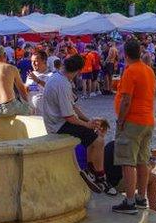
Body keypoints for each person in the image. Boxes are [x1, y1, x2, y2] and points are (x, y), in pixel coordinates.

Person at [38, 54, 111, 193]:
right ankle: (99, 175)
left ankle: (91, 170)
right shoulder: (63, 84)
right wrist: (87, 125)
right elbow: (69, 117)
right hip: (59, 126)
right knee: (98, 140)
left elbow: (73, 107)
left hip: (57, 122)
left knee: (93, 136)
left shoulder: (57, 77)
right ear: (77, 71)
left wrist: (87, 120)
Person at [112, 39, 156, 215]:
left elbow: (126, 100)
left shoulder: (131, 71)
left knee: (127, 162)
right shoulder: (148, 70)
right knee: (142, 161)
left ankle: (129, 201)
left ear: (125, 54)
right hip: (147, 121)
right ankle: (140, 197)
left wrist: (121, 120)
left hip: (132, 121)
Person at [98, 121, 156, 212]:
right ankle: (151, 209)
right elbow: (134, 171)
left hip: (108, 182)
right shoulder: (129, 146)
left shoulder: (111, 144)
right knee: (153, 178)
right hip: (116, 184)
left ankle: (137, 200)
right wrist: (150, 166)